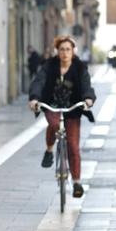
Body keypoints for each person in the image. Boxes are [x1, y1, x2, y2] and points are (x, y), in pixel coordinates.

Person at [29, 35, 95, 198]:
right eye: (62, 49)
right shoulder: (49, 66)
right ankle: (50, 150)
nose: (65, 53)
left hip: (72, 108)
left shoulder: (79, 67)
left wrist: (88, 99)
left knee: (73, 146)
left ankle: (77, 183)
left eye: (68, 49)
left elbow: (86, 85)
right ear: (57, 52)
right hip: (52, 105)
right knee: (54, 125)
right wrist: (34, 98)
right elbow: (39, 82)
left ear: (73, 51)